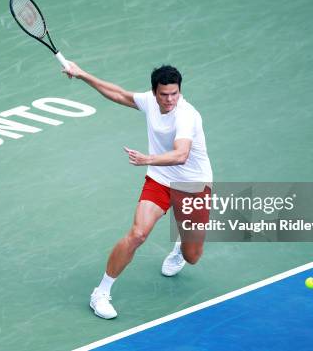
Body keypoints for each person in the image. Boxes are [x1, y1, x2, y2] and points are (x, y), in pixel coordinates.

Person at [63, 61, 213, 319]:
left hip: (193, 185)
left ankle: (180, 246)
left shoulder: (186, 115)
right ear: (154, 92)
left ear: (180, 91)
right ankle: (101, 292)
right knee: (138, 234)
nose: (169, 100)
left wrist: (147, 160)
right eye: (164, 94)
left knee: (192, 256)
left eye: (174, 94)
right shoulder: (149, 102)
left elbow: (181, 154)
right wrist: (83, 74)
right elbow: (119, 94)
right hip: (160, 179)